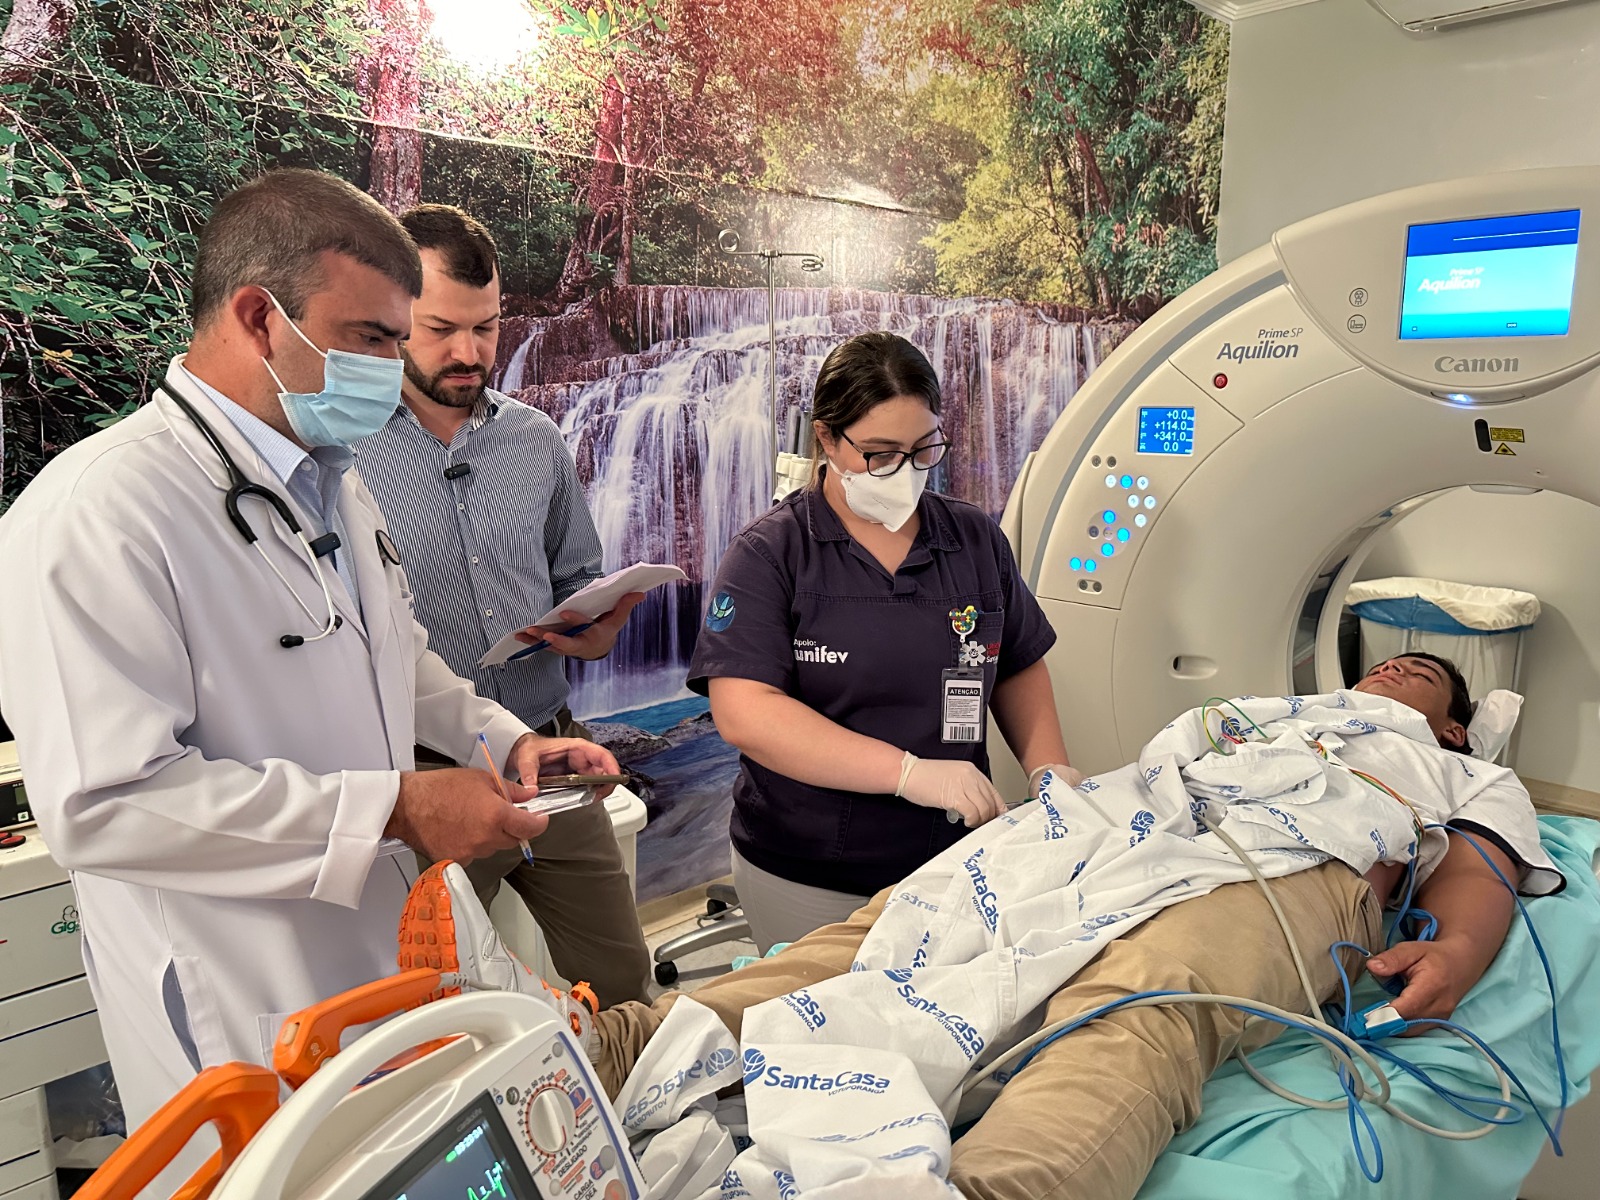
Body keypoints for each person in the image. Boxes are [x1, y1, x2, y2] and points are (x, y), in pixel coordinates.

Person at [404, 652, 1561, 1200]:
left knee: (1142, 1005)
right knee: (895, 931)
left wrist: (1457, 948)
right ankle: (591, 1048)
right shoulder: (1250, 714)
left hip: (1291, 866)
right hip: (1122, 823)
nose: (1398, 670)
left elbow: (1481, 865)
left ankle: (994, 1189)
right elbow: (1149, 769)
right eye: (1391, 658)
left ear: (1456, 727)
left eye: (1425, 675)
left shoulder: (1448, 766)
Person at [0, 170, 620, 1169]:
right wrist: (396, 809)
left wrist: (503, 741)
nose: (390, 367)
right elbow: (103, 805)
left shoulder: (327, 483)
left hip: (368, 964)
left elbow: (396, 657)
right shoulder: (99, 514)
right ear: (260, 318)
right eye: (370, 338)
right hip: (235, 990)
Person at [688, 332, 1079, 950]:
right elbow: (746, 713)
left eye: (924, 449)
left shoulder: (973, 539)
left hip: (959, 858)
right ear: (826, 439)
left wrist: (1049, 770)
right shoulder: (771, 554)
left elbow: (1017, 662)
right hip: (811, 869)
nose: (905, 471)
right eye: (880, 454)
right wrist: (908, 774)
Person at [354, 204, 650, 1006]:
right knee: (440, 1009)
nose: (469, 352)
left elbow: (575, 578)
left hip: (548, 749)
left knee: (625, 984)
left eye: (486, 328)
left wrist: (592, 629)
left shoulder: (535, 439)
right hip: (425, 780)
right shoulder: (342, 456)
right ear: (391, 317)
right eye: (440, 329)